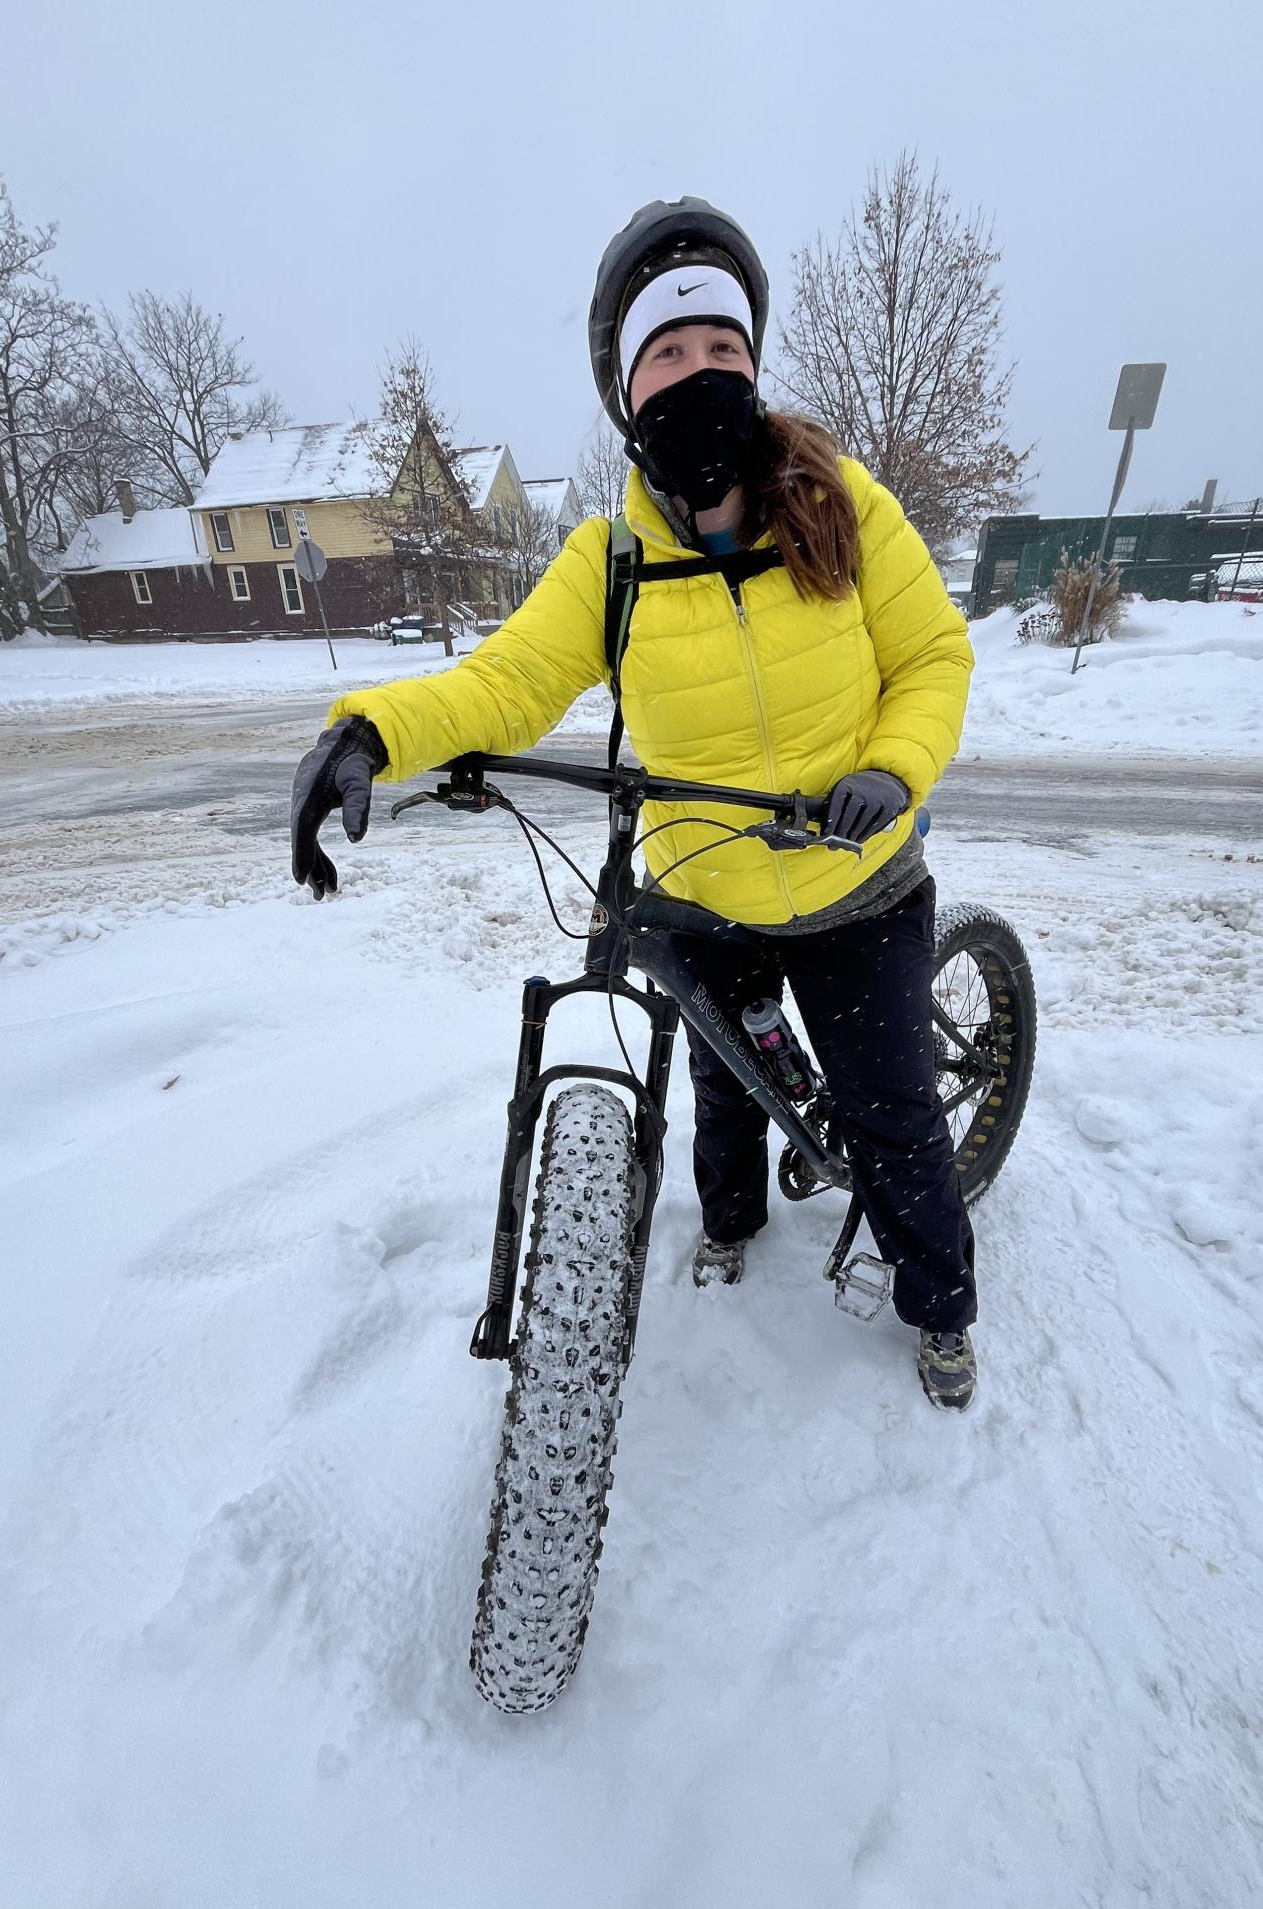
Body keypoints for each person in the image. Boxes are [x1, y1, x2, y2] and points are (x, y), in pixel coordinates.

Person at [290, 198, 979, 1410]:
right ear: (625, 389)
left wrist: (892, 769)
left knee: (894, 1118)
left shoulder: (843, 507)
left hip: (853, 876)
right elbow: (504, 682)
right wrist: (373, 731)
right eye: (667, 351)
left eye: (722, 346)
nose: (699, 371)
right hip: (708, 884)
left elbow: (933, 656)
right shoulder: (607, 563)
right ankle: (731, 1225)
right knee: (723, 1091)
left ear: (752, 365)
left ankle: (941, 1310)